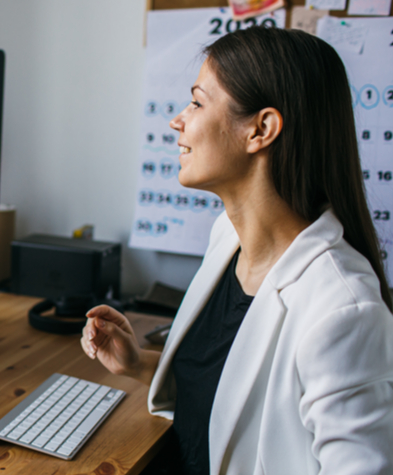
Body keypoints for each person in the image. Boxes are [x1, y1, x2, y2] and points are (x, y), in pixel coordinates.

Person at [80, 27, 393, 475]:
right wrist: (140, 364)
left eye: (197, 102)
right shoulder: (227, 237)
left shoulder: (345, 310)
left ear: (261, 129)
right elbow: (236, 399)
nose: (178, 120)